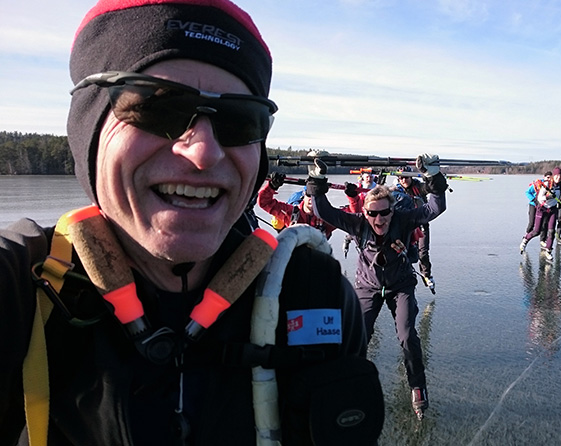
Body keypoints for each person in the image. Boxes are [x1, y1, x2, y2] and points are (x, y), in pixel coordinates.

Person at [0, 1, 380, 444]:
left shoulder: (317, 295)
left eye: (239, 120)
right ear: (88, 126)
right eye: (156, 108)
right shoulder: (20, 290)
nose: (203, 153)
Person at [306, 154, 448, 420]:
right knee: (357, 336)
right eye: (373, 213)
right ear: (365, 213)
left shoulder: (403, 220)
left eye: (384, 212)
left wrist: (433, 175)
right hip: (368, 287)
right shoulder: (357, 224)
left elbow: (434, 208)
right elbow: (322, 211)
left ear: (392, 211)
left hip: (401, 285)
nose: (379, 219)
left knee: (407, 335)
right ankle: (348, 383)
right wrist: (316, 179)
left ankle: (417, 386)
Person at [258, 171, 337, 239]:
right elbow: (264, 202)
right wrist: (271, 186)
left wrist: (349, 196)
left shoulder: (327, 216)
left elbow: (348, 215)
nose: (312, 199)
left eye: (316, 196)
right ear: (304, 196)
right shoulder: (290, 212)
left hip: (318, 254)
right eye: (309, 195)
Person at [395, 175, 436, 291]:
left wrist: (431, 178)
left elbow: (429, 188)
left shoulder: (419, 187)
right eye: (401, 178)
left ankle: (426, 275)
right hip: (406, 226)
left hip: (421, 224)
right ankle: (403, 275)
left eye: (406, 178)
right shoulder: (397, 190)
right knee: (405, 252)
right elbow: (381, 194)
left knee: (423, 252)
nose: (404, 180)